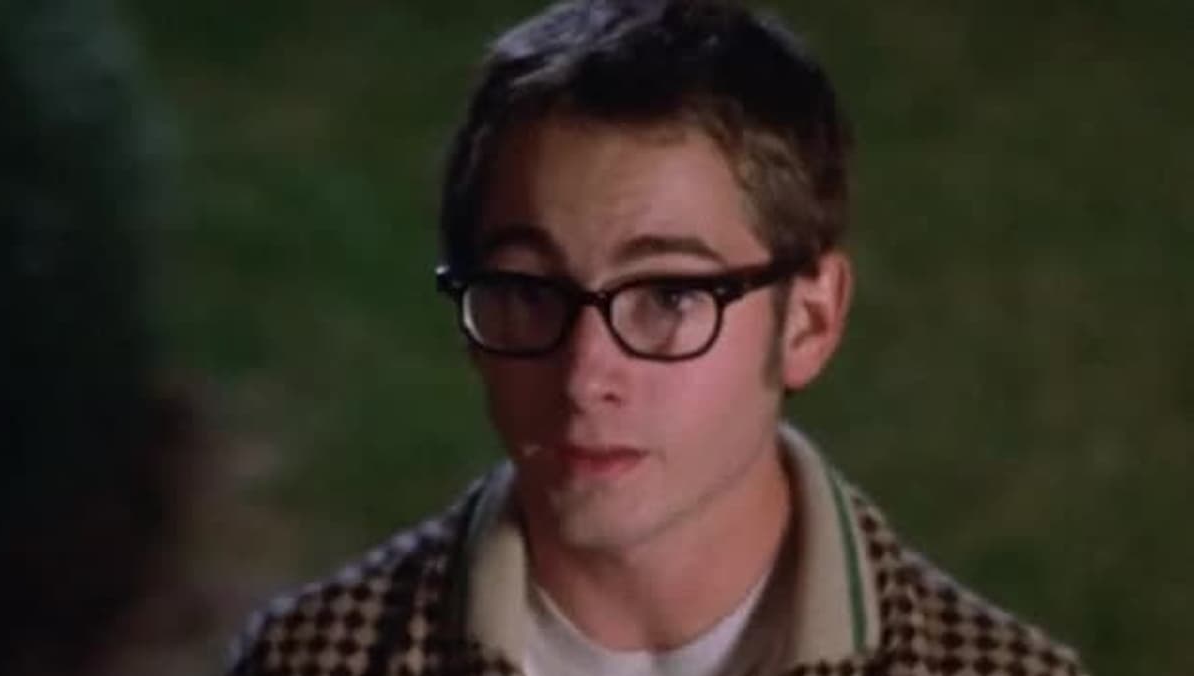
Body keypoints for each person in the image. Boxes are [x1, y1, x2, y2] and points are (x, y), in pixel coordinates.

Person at [225, 1, 1086, 675]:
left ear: (810, 320)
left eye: (669, 294)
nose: (584, 375)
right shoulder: (311, 660)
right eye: (527, 290)